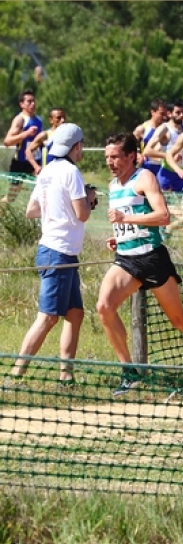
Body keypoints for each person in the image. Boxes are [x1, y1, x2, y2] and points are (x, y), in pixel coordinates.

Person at [97, 133, 183, 397]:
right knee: (104, 307)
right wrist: (119, 234)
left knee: (178, 319)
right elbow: (128, 221)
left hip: (152, 259)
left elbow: (163, 216)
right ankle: (128, 371)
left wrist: (127, 218)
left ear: (131, 156)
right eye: (107, 157)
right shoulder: (112, 185)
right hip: (126, 258)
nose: (110, 162)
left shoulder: (144, 177)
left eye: (115, 157)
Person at [6, 124, 97, 387]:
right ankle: (15, 376)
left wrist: (56, 207)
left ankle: (65, 376)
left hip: (59, 251)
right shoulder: (71, 172)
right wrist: (88, 197)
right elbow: (82, 214)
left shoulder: (47, 171)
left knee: (75, 313)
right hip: (59, 252)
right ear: (77, 146)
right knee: (47, 317)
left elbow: (31, 210)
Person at [3, 89, 42, 204]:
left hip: (35, 162)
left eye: (34, 101)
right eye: (29, 102)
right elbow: (7, 141)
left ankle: (41, 220)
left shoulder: (38, 120)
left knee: (44, 190)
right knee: (11, 198)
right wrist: (26, 134)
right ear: (22, 104)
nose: (33, 104)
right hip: (20, 163)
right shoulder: (20, 120)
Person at [149, 100, 183, 192]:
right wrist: (167, 156)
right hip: (168, 174)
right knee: (166, 205)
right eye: (178, 112)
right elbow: (148, 151)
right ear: (169, 114)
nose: (181, 115)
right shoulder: (164, 128)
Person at [24, 107, 66, 175]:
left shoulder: (67, 136)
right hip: (47, 175)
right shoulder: (45, 135)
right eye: (59, 118)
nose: (63, 120)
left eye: (64, 117)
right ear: (51, 120)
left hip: (62, 174)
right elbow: (28, 151)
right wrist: (36, 167)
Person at [133, 99, 168, 176]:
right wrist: (137, 155)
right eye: (162, 114)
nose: (164, 117)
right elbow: (128, 145)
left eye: (165, 114)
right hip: (147, 167)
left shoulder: (167, 129)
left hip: (164, 168)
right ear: (153, 112)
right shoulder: (142, 128)